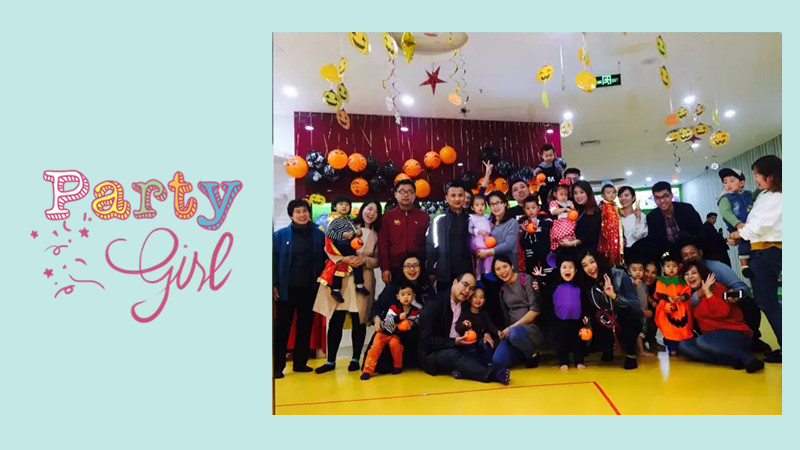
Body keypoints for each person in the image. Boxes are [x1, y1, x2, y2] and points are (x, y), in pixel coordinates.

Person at [313, 200, 382, 374]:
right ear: (362, 209)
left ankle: (355, 358)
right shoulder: (346, 225)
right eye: (369, 209)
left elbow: (378, 260)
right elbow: (329, 246)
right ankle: (330, 360)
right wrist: (342, 259)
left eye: (375, 211)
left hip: (363, 279)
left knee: (359, 321)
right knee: (336, 320)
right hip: (341, 277)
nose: (371, 213)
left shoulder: (378, 235)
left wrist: (364, 260)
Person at [728, 155, 782, 363]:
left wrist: (739, 234)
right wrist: (740, 236)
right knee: (763, 301)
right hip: (758, 250)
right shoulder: (764, 195)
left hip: (769, 252)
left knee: (768, 301)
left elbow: (761, 225)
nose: (755, 179)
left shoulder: (779, 197)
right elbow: (753, 224)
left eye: (757, 175)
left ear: (770, 176)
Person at [418, 272, 511, 384]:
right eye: (465, 285)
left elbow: (480, 320)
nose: (467, 291)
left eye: (471, 289)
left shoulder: (465, 305)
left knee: (481, 347)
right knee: (455, 355)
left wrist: (486, 333)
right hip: (434, 352)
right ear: (455, 282)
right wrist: (454, 342)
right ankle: (492, 374)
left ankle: (463, 371)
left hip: (461, 346)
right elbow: (426, 340)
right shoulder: (434, 304)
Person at [679, 242, 771, 354]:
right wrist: (701, 292)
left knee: (749, 303)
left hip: (727, 316)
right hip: (706, 324)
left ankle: (751, 340)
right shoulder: (683, 276)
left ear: (700, 252)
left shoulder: (717, 270)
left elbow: (741, 289)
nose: (690, 256)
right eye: (685, 255)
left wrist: (732, 293)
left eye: (692, 252)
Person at [677, 261, 765, 373]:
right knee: (684, 345)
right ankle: (732, 359)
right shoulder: (691, 296)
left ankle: (747, 359)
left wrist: (708, 292)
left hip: (734, 333)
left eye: (694, 273)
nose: (690, 277)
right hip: (712, 338)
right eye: (686, 274)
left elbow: (721, 312)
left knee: (702, 342)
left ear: (702, 274)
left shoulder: (718, 287)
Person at [273, 200, 326, 378]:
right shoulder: (280, 235)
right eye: (298, 212)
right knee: (282, 329)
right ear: (291, 215)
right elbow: (272, 262)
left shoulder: (319, 235)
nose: (302, 215)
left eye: (305, 211)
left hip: (309, 288)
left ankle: (300, 363)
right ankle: (277, 367)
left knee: (305, 326)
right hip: (286, 289)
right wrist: (274, 284)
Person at [366, 254, 435, 373]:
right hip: (393, 331)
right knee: (382, 367)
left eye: (415, 266)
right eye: (408, 266)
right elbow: (377, 306)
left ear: (421, 268)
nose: (412, 269)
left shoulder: (426, 287)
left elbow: (434, 310)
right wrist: (376, 319)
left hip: (417, 332)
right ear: (402, 269)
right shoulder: (393, 287)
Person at [579, 250, 642, 369]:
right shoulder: (587, 284)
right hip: (606, 320)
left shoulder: (619, 275)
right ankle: (607, 348)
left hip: (624, 318)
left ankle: (631, 355)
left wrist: (614, 296)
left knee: (629, 316)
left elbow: (636, 305)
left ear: (599, 261)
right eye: (585, 265)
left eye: (592, 262)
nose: (590, 268)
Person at [492, 256, 544, 369]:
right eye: (498, 269)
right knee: (497, 362)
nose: (502, 271)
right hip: (512, 333)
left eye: (505, 266)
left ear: (512, 266)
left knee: (514, 333)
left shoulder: (525, 279)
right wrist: (504, 332)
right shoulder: (502, 290)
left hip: (530, 329)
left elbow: (535, 310)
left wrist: (511, 328)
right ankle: (523, 353)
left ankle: (532, 354)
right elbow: (506, 316)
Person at [361, 282, 421, 380]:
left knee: (396, 347)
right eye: (403, 294)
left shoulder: (415, 311)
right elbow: (388, 323)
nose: (406, 297)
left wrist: (412, 324)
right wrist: (399, 318)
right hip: (383, 333)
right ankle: (367, 370)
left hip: (395, 335)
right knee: (375, 348)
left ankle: (398, 367)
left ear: (413, 296)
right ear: (398, 297)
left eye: (409, 294)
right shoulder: (394, 308)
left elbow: (417, 321)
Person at [378, 179, 430, 283]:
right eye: (402, 191)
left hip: (418, 267)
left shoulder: (423, 216)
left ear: (414, 195)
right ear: (395, 194)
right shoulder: (387, 217)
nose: (406, 195)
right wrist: (385, 268)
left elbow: (428, 243)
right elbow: (383, 244)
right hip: (395, 267)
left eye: (409, 191)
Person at [426, 181, 472, 293]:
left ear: (464, 197)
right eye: (453, 195)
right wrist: (431, 270)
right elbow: (431, 246)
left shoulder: (471, 219)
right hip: (445, 273)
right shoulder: (439, 220)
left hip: (467, 272)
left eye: (460, 195)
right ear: (446, 197)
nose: (457, 199)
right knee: (444, 302)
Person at [320, 196, 368, 302]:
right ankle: (336, 290)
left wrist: (358, 232)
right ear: (335, 207)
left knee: (357, 264)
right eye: (341, 204)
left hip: (350, 245)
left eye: (347, 205)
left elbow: (354, 230)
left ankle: (359, 285)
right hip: (340, 245)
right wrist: (342, 234)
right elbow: (329, 233)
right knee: (339, 269)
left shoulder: (349, 219)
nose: (344, 206)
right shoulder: (334, 220)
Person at [646, 181, 703, 260]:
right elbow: (654, 242)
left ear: (671, 196)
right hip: (669, 257)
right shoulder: (652, 217)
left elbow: (700, 231)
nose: (662, 201)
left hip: (691, 252)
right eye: (658, 198)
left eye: (665, 196)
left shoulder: (686, 209)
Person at [653, 253, 692, 356]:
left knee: (683, 330)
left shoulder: (682, 281)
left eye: (674, 266)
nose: (671, 269)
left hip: (681, 309)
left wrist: (682, 297)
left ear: (678, 267)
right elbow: (659, 293)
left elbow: (687, 292)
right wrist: (667, 298)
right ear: (663, 268)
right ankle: (672, 348)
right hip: (668, 309)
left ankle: (683, 348)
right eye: (668, 266)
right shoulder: (661, 281)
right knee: (669, 329)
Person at [551, 255, 586, 370]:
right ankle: (563, 362)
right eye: (564, 267)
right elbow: (547, 301)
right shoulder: (554, 286)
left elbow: (585, 301)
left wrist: (586, 314)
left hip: (577, 319)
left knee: (578, 341)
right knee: (561, 341)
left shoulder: (580, 286)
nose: (567, 270)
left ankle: (579, 360)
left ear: (575, 271)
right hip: (560, 319)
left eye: (571, 267)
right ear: (559, 270)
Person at [717, 168, 754, 276]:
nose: (728, 184)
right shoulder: (725, 198)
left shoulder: (749, 194)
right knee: (743, 246)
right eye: (725, 182)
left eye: (732, 181)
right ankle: (744, 267)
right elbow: (726, 213)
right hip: (738, 228)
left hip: (752, 228)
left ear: (742, 183)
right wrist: (737, 223)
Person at [455, 287, 499, 366]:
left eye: (481, 297)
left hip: (480, 341)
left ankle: (489, 364)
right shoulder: (465, 313)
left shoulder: (484, 314)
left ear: (484, 300)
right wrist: (463, 324)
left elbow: (490, 326)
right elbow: (458, 327)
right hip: (468, 343)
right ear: (469, 299)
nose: (478, 300)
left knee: (487, 345)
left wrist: (498, 332)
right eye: (475, 297)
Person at [558, 181, 601, 257]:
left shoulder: (596, 212)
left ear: (588, 193)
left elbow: (591, 235)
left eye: (581, 192)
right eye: (575, 193)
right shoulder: (573, 209)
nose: (578, 196)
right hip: (572, 252)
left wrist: (573, 243)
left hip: (589, 254)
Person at [518, 195, 553, 273]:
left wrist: (538, 223)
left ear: (538, 208)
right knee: (530, 267)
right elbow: (518, 229)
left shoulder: (543, 217)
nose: (531, 211)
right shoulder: (523, 220)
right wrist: (521, 226)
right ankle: (531, 277)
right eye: (528, 208)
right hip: (529, 248)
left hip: (543, 246)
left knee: (546, 264)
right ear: (524, 210)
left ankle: (546, 277)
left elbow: (550, 223)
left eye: (533, 208)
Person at [627, 260, 654, 356]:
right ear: (629, 271)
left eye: (640, 270)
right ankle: (641, 351)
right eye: (634, 270)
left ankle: (641, 347)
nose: (638, 272)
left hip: (644, 312)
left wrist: (652, 301)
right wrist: (634, 285)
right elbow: (630, 297)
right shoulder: (630, 282)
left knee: (644, 329)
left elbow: (646, 295)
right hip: (637, 312)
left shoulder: (643, 283)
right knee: (639, 331)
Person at [618, 186, 649, 264]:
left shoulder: (641, 216)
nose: (623, 198)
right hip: (622, 254)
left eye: (626, 195)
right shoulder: (617, 217)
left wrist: (638, 219)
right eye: (620, 196)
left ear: (633, 198)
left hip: (638, 253)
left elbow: (638, 235)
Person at [468, 194, 493, 279]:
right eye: (477, 205)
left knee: (489, 256)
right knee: (479, 260)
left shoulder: (486, 217)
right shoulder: (472, 218)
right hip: (477, 241)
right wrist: (478, 231)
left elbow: (488, 227)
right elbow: (470, 229)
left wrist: (490, 227)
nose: (480, 207)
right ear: (472, 207)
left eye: (482, 205)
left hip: (486, 240)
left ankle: (487, 272)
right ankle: (478, 277)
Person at [597, 184, 624, 266]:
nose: (611, 194)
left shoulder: (615, 206)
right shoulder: (602, 207)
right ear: (603, 195)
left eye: (613, 192)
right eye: (608, 193)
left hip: (616, 236)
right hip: (607, 237)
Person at [549, 181, 577, 252]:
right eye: (561, 194)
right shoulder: (554, 202)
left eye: (566, 195)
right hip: (560, 224)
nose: (564, 197)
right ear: (555, 194)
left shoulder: (569, 202)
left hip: (571, 222)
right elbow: (554, 212)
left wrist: (573, 208)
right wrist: (565, 209)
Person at [642, 261, 664, 353]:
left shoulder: (659, 288)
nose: (649, 275)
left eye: (653, 273)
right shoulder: (634, 284)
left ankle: (651, 340)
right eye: (647, 271)